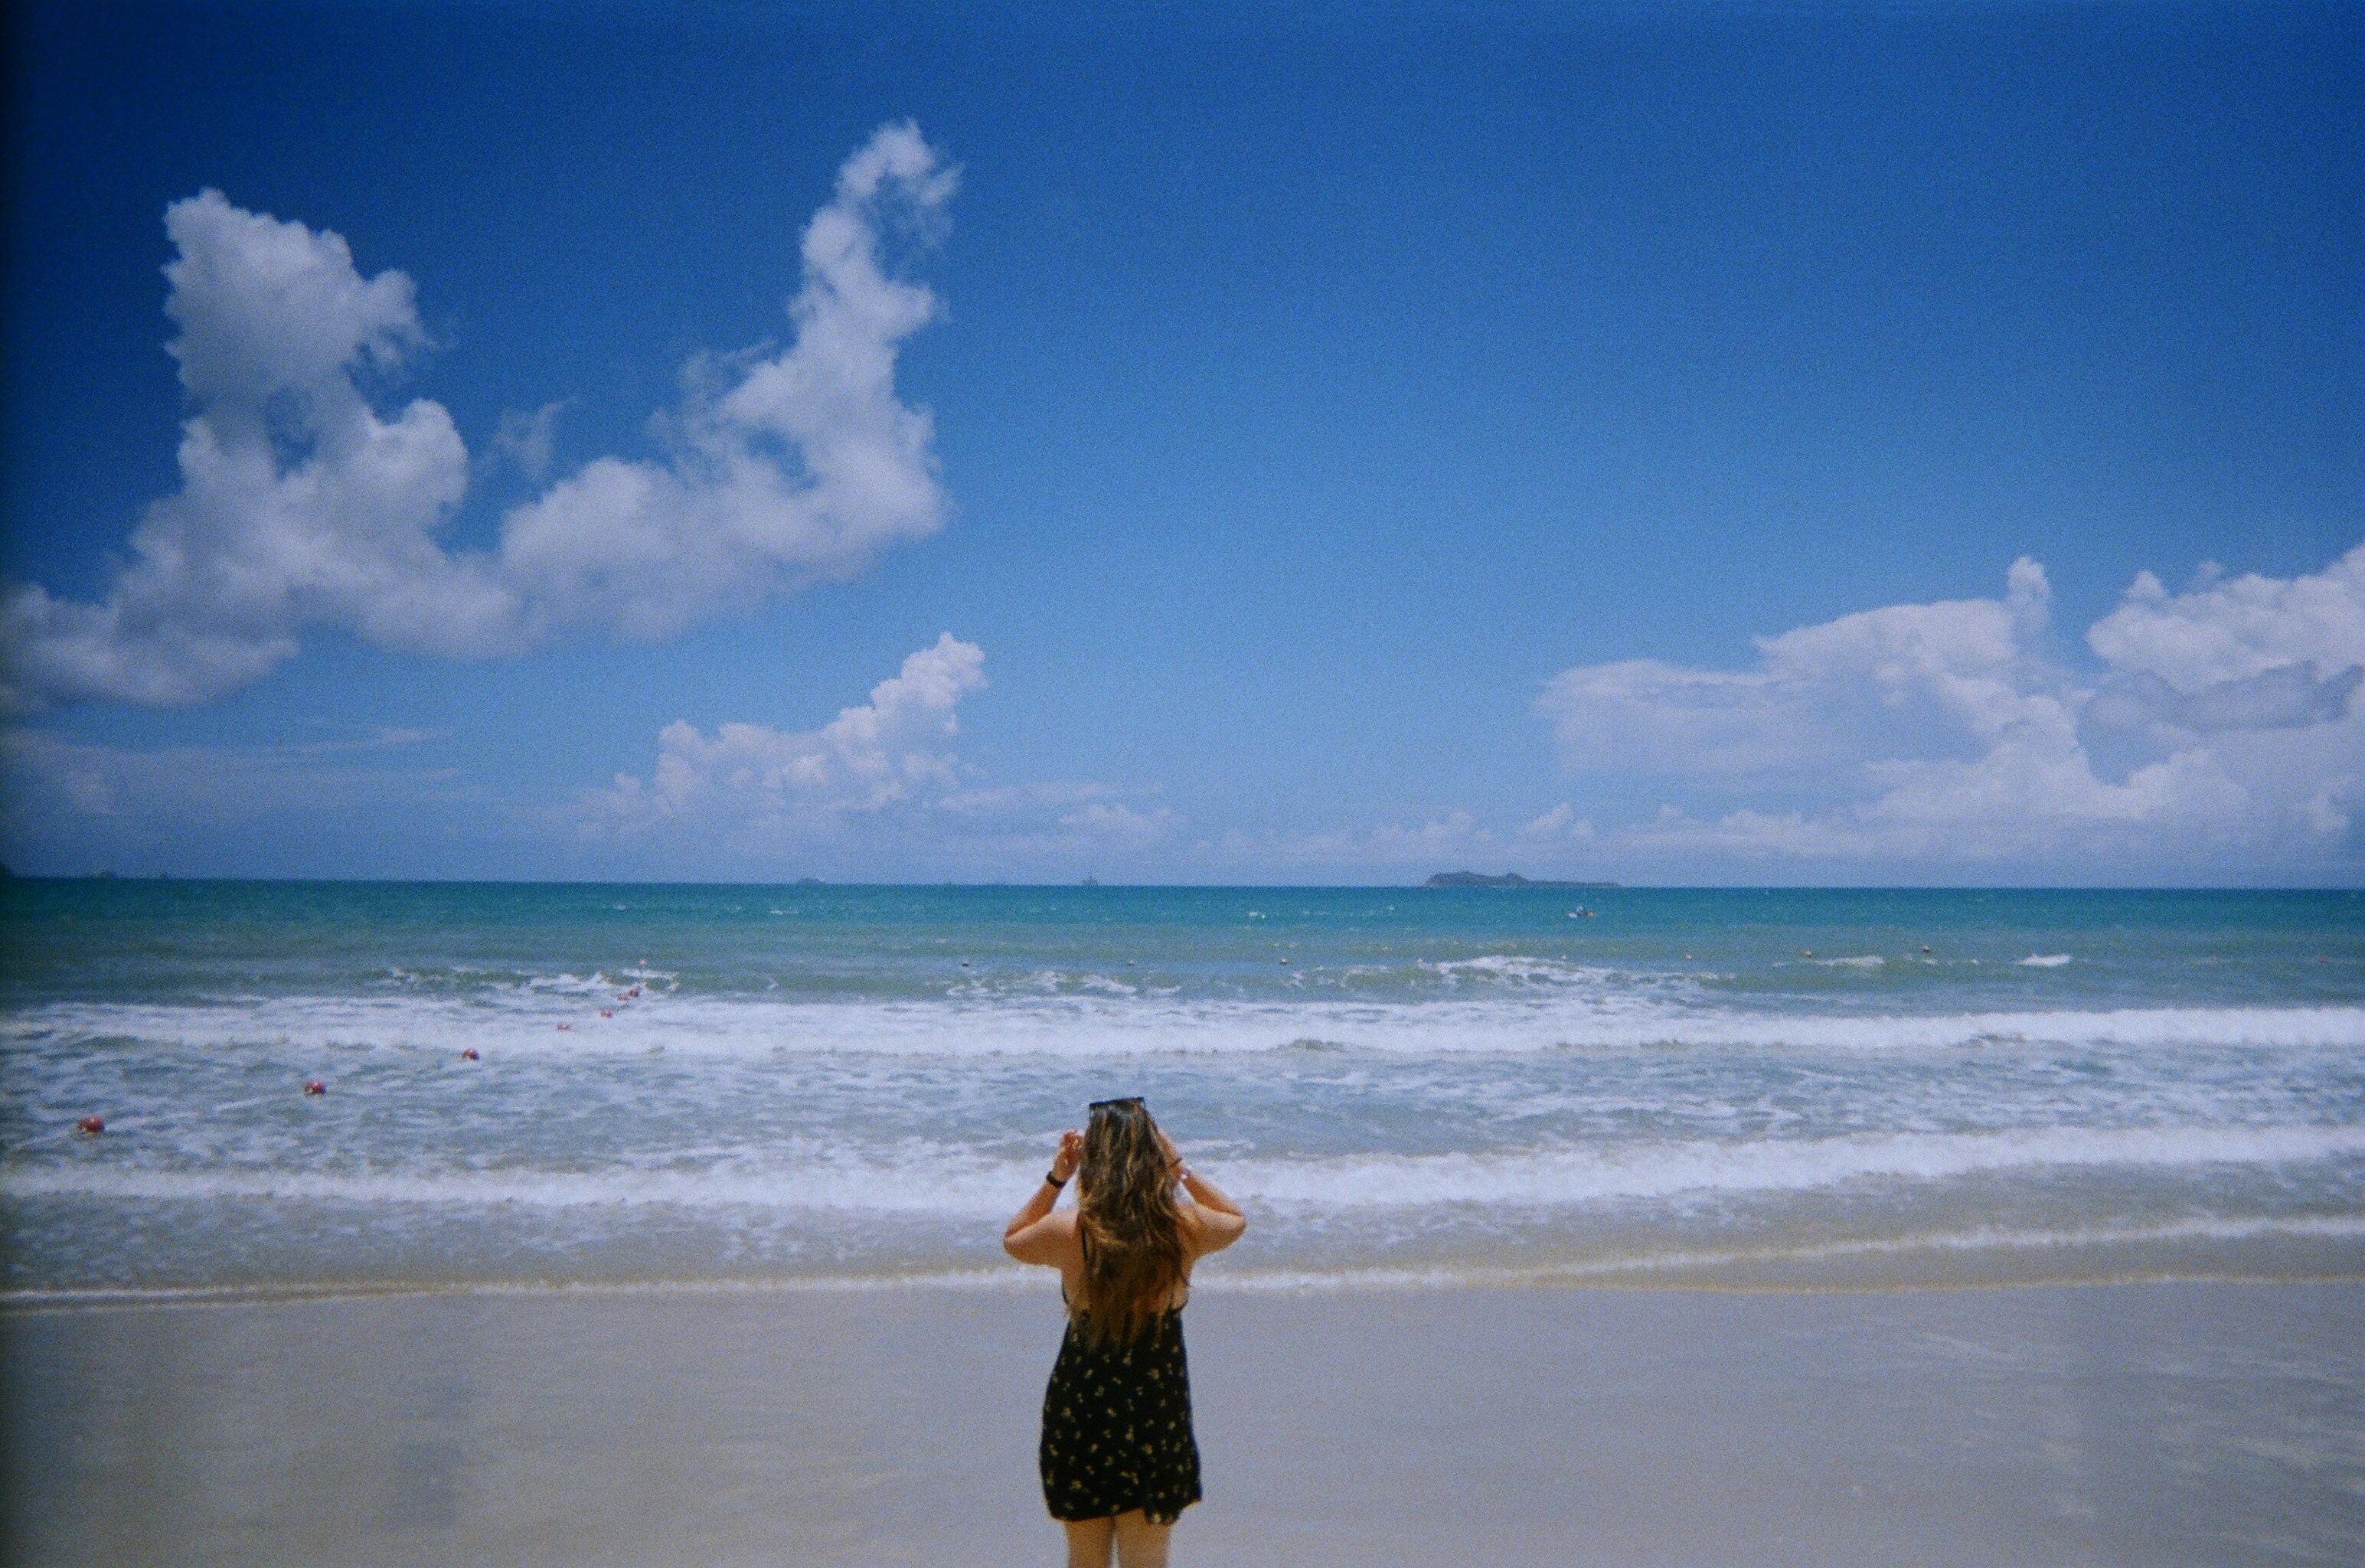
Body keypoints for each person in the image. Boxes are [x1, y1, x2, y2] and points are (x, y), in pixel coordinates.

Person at [1003, 1097, 1247, 1568]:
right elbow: (1235, 1219)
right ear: (1151, 1156)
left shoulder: (1073, 1229)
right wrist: (1179, 1167)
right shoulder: (1181, 1227)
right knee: (1147, 1559)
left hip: (1082, 1404)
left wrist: (1058, 1177)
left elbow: (1015, 1238)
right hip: (1155, 1408)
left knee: (1085, 1559)